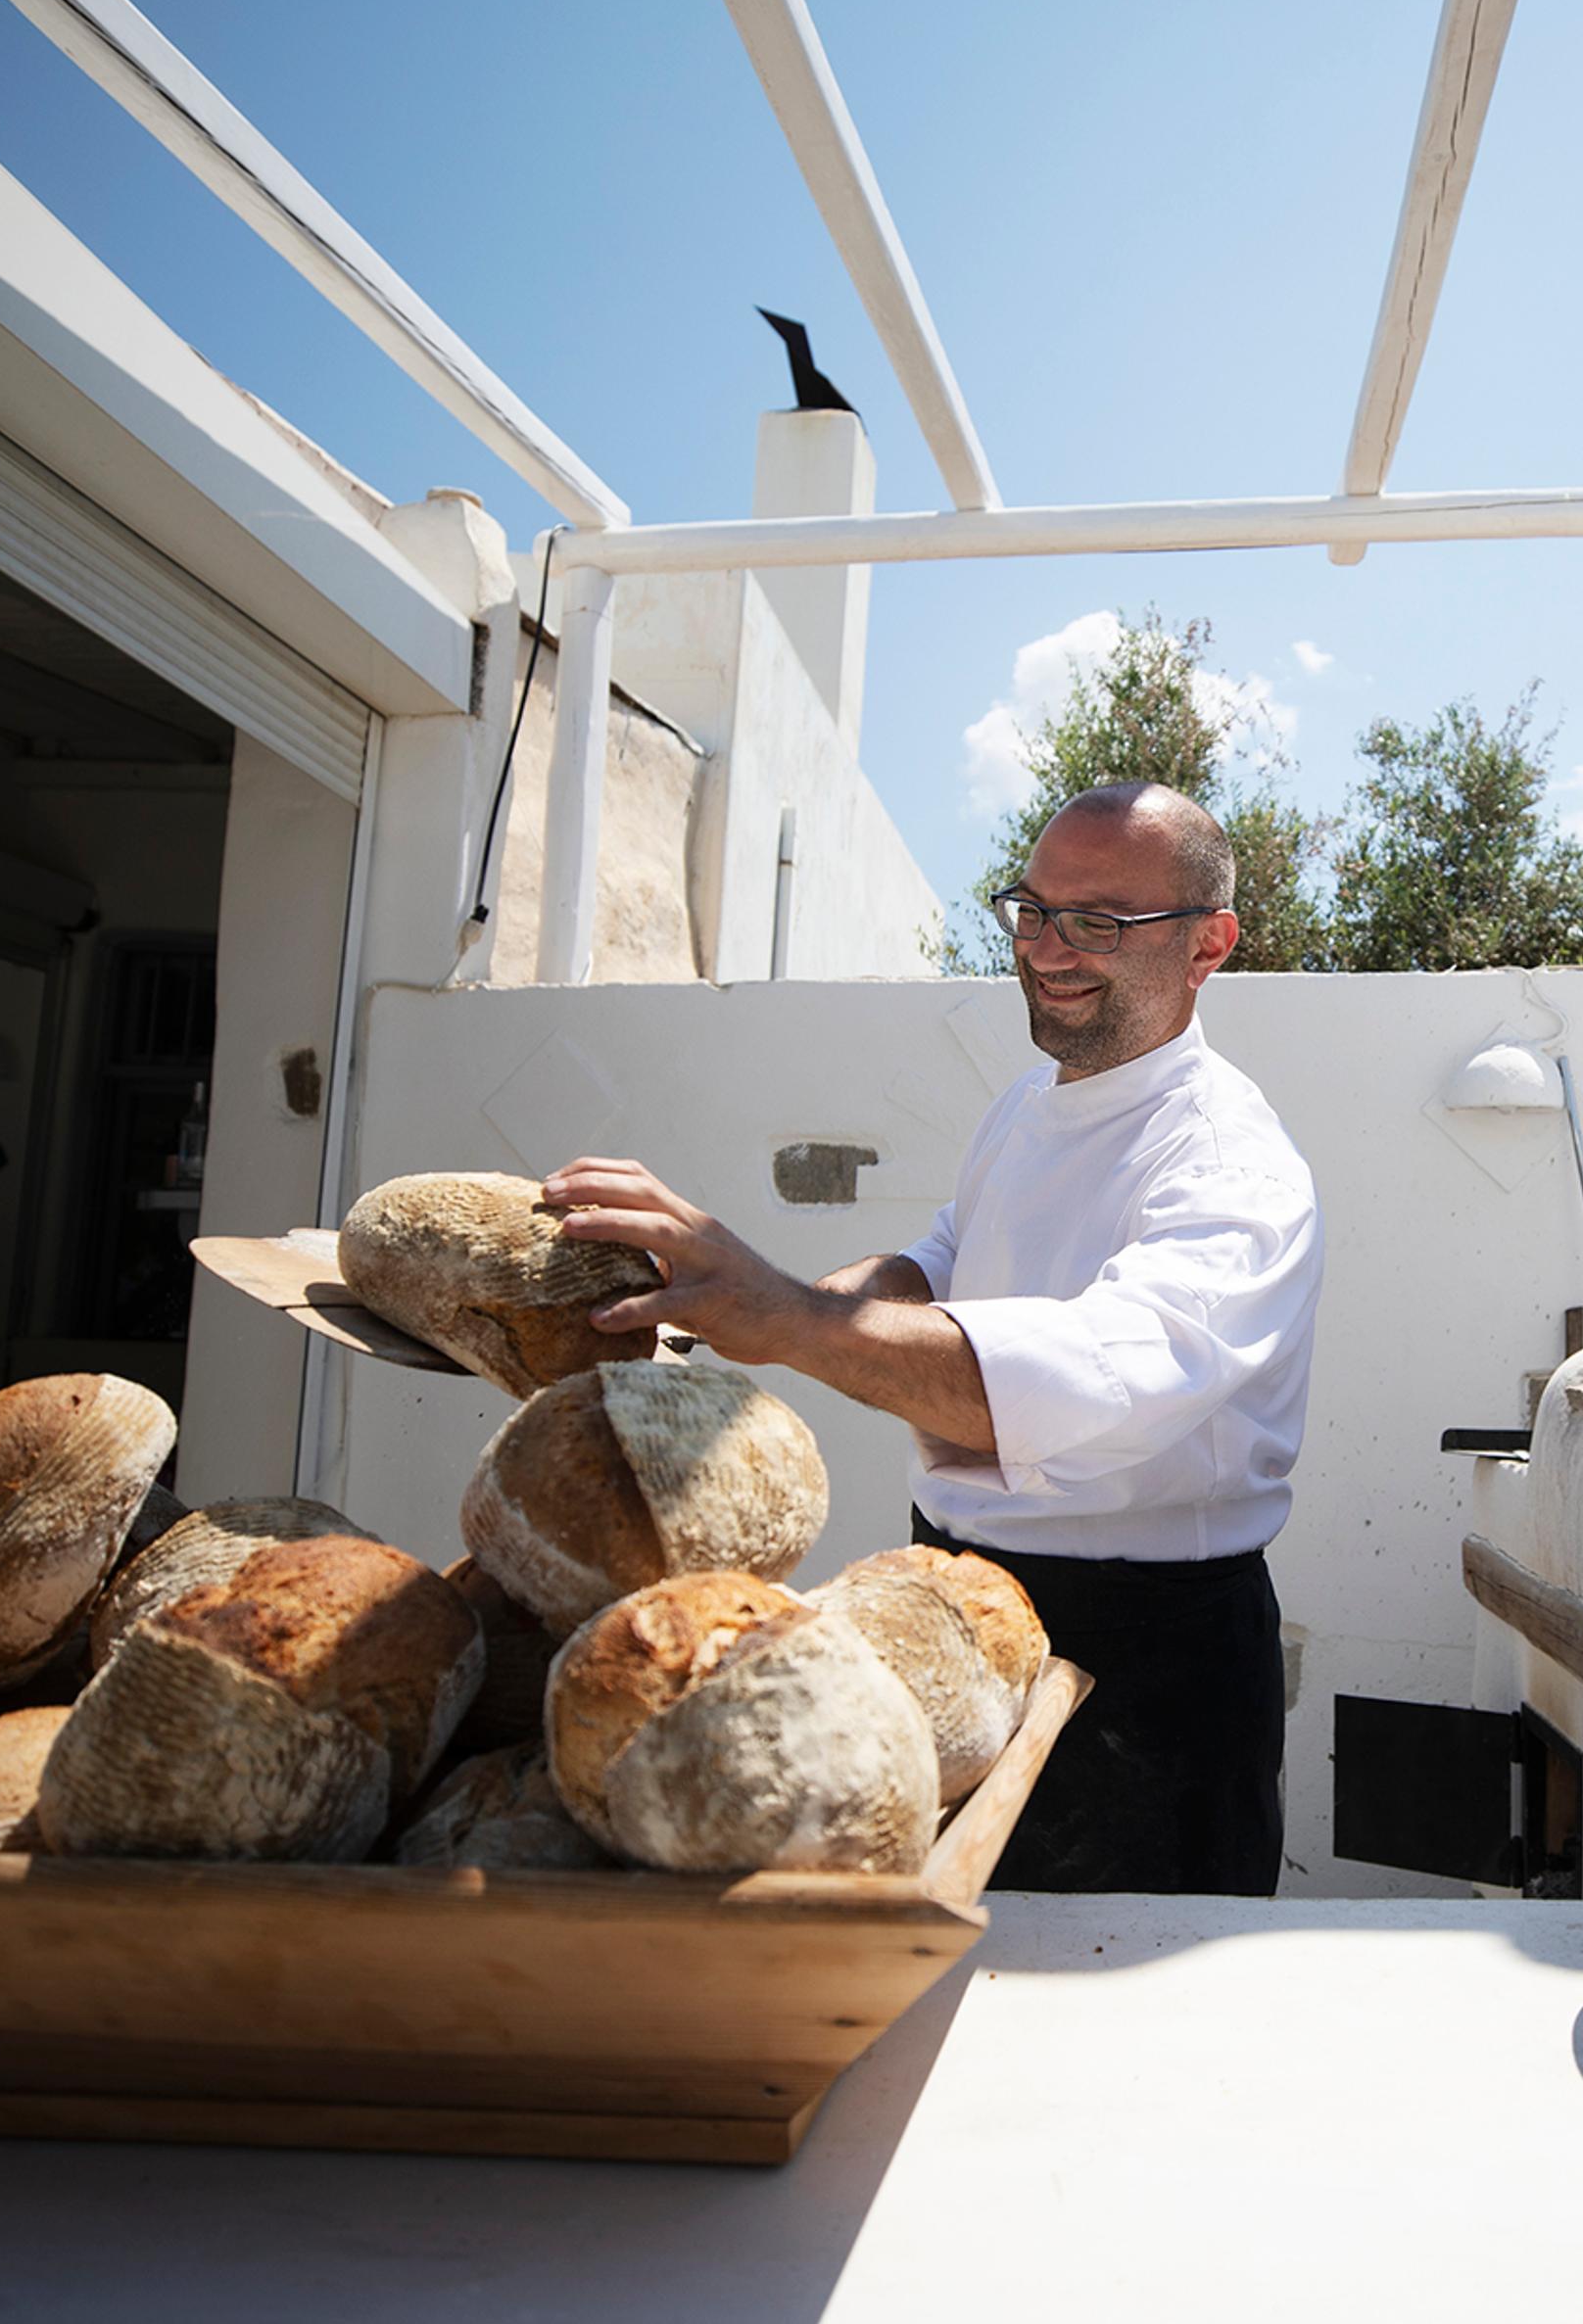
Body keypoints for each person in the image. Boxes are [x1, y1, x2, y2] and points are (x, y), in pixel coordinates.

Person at [539, 782, 1321, 1893]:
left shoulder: (1233, 1162)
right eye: (1032, 910)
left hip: (1145, 1669)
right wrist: (771, 1304)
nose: (1047, 949)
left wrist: (795, 1319)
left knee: (1125, 1982)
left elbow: (1099, 1379)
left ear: (1210, 944)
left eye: (1098, 922)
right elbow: (945, 1261)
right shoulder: (1027, 1106)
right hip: (954, 1606)